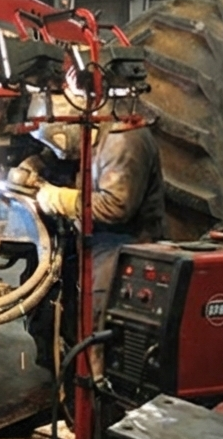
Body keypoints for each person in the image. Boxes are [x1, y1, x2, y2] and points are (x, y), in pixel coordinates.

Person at [17, 99, 166, 368]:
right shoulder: (85, 134)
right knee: (44, 287)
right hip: (87, 235)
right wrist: (36, 165)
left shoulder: (123, 142)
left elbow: (116, 207)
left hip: (123, 242)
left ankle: (96, 379)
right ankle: (62, 369)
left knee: (94, 312)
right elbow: (65, 154)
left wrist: (60, 198)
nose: (57, 150)